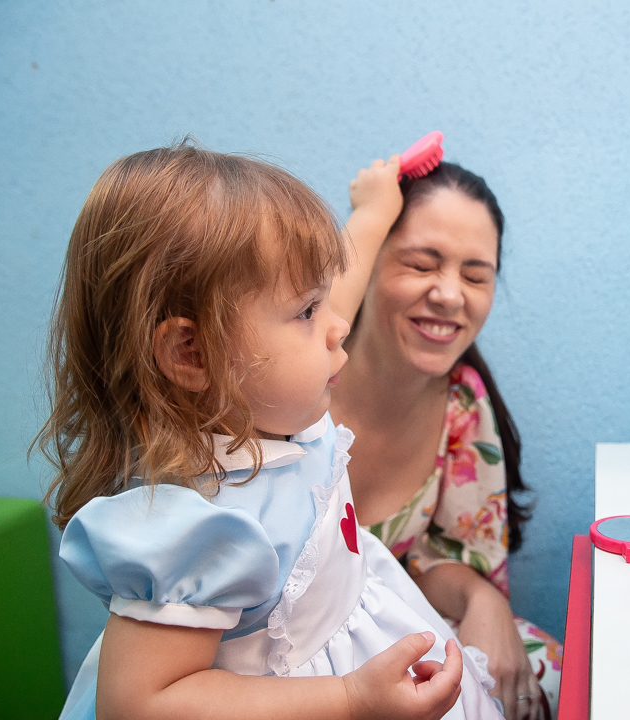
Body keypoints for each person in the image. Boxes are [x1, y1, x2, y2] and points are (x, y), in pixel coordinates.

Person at [37, 143, 504, 720]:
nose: (338, 327)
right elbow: (139, 702)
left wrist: (375, 214)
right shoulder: (199, 523)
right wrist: (350, 700)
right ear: (192, 354)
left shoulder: (276, 415)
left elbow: (339, 292)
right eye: (308, 310)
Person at [331, 158, 562, 720]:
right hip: (278, 653)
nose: (449, 295)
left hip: (390, 639)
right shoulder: (291, 384)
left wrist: (484, 600)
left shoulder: (462, 402)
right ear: (368, 261)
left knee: (551, 668)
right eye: (421, 264)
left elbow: (436, 565)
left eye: (476, 276)